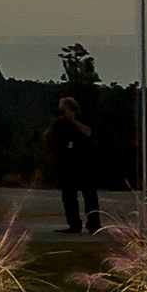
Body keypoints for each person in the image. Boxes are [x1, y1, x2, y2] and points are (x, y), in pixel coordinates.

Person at [40, 82, 104, 239]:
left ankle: (94, 224)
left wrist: (73, 121)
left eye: (64, 108)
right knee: (68, 196)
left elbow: (90, 133)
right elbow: (47, 138)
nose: (61, 112)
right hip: (66, 164)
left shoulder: (82, 120)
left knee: (89, 195)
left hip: (84, 163)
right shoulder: (59, 125)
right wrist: (56, 122)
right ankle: (74, 224)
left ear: (71, 108)